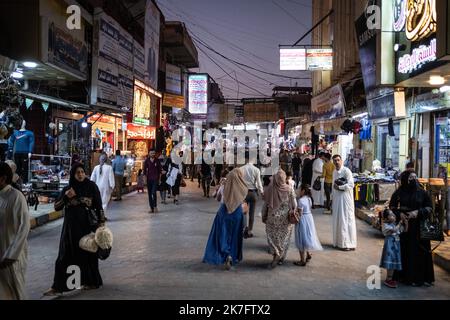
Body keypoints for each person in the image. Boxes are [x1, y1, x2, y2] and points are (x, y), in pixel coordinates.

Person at [44, 164, 105, 296]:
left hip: (87, 227)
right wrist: (66, 197)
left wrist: (101, 224)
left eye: (82, 172)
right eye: (77, 172)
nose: (80, 174)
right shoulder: (68, 188)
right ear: (73, 174)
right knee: (64, 256)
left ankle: (91, 281)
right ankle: (58, 286)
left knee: (88, 254)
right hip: (70, 229)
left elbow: (99, 206)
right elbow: (56, 207)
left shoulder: (91, 187)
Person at [389, 170, 435, 287]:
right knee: (406, 251)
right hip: (406, 227)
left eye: (415, 177)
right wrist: (400, 214)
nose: (414, 180)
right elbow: (392, 206)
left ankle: (421, 278)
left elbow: (429, 208)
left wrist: (418, 212)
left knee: (420, 252)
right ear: (405, 180)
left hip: (420, 227)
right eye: (411, 178)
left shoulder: (422, 192)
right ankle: (406, 277)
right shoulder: (400, 192)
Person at [203, 169, 249, 270]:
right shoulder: (243, 188)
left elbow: (218, 198)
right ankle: (232, 255)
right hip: (237, 214)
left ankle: (225, 254)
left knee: (222, 235)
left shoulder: (224, 186)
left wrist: (220, 187)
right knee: (234, 235)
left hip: (224, 213)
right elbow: (243, 202)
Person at [0, 163, 30, 300]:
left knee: (15, 289)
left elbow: (24, 227)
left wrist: (12, 254)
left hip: (11, 256)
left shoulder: (16, 196)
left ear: (2, 179)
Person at [262, 170, 297, 269]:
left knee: (272, 237)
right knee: (284, 238)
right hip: (285, 220)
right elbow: (294, 204)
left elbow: (265, 204)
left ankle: (275, 254)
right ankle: (281, 257)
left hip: (271, 218)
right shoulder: (289, 189)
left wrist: (264, 215)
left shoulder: (270, 188)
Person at [331, 155, 357, 251]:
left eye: (338, 160)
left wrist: (340, 188)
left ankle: (348, 244)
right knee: (338, 220)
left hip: (345, 199)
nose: (337, 162)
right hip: (337, 199)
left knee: (346, 220)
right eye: (335, 161)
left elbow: (351, 184)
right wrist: (332, 198)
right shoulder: (334, 172)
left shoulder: (346, 171)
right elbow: (333, 186)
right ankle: (339, 242)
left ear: (341, 161)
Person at [294, 184, 323, 267]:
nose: (298, 191)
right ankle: (308, 253)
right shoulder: (309, 199)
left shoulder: (301, 200)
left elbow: (300, 213)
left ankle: (302, 260)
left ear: (303, 191)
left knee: (301, 238)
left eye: (299, 189)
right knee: (307, 236)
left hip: (303, 219)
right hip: (309, 218)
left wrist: (294, 215)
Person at [241, 158, 264, 239]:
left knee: (244, 212)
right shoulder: (256, 170)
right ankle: (250, 230)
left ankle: (244, 229)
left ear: (246, 160)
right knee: (252, 213)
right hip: (253, 193)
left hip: (243, 193)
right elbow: (259, 183)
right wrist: (262, 192)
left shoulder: (241, 169)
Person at [379, 209, 403, 288]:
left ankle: (390, 278)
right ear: (386, 219)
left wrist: (405, 223)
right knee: (390, 262)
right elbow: (394, 230)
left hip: (395, 246)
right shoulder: (385, 225)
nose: (394, 216)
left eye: (393, 214)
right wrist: (399, 224)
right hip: (390, 246)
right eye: (391, 215)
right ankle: (388, 279)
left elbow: (403, 230)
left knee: (393, 262)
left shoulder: (393, 224)